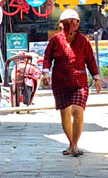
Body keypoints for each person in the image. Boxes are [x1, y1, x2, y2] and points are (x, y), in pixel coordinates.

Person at [42, 9, 101, 157]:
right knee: (65, 114)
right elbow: (47, 57)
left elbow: (90, 60)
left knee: (77, 111)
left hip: (79, 80)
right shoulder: (55, 40)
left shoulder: (83, 40)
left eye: (75, 22)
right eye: (69, 22)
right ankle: (71, 143)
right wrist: (45, 72)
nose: (72, 25)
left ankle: (75, 143)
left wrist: (96, 77)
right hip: (60, 81)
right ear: (62, 24)